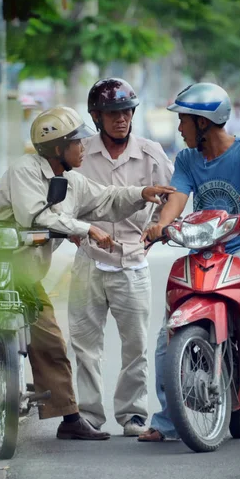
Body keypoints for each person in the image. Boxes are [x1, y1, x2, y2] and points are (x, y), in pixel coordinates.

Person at [0, 106, 175, 441]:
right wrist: (87, 229)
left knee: (50, 338)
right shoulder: (24, 171)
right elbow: (35, 215)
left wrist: (141, 193)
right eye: (77, 143)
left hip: (22, 275)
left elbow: (106, 197)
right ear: (57, 148)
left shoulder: (71, 181)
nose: (84, 148)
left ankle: (69, 418)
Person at [137, 82, 240, 442]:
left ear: (203, 123)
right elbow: (177, 199)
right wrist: (160, 226)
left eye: (183, 121)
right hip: (203, 252)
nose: (179, 129)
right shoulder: (187, 159)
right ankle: (169, 422)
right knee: (165, 335)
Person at [68, 78, 174, 436]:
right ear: (96, 116)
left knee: (136, 346)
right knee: (85, 344)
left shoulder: (150, 153)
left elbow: (175, 196)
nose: (121, 119)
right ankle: (90, 416)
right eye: (113, 113)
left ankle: (132, 415)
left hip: (133, 260)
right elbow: (61, 198)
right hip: (88, 259)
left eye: (127, 111)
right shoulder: (79, 153)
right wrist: (71, 229)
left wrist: (158, 228)